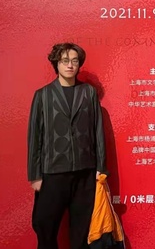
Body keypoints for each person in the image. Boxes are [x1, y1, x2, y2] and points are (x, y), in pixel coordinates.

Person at [27, 42, 107, 249]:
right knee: (44, 226)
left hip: (85, 173)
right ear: (56, 64)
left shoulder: (88, 93)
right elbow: (35, 136)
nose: (70, 65)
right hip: (52, 173)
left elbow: (97, 130)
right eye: (65, 61)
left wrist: (100, 167)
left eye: (74, 61)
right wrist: (35, 175)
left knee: (81, 231)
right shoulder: (43, 95)